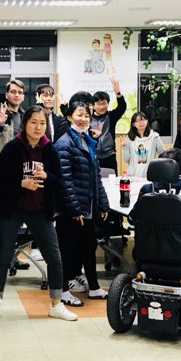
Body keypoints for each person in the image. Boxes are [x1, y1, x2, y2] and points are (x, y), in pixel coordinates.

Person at [0, 106, 76, 323]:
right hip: (11, 210)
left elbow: (59, 182)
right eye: (33, 122)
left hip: (40, 210)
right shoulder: (12, 148)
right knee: (1, 258)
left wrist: (46, 176)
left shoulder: (49, 149)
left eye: (42, 123)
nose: (38, 127)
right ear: (25, 124)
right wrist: (21, 183)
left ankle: (56, 304)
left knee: (54, 257)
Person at [55, 99, 110, 303]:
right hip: (71, 209)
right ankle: (62, 291)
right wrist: (74, 209)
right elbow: (65, 180)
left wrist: (102, 203)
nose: (84, 119)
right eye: (79, 115)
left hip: (87, 207)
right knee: (66, 251)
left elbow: (96, 177)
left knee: (88, 247)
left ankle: (94, 287)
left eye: (87, 115)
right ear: (70, 117)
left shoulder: (87, 140)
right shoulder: (64, 143)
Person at [88, 76, 126, 172]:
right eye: (98, 104)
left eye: (104, 103)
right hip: (93, 156)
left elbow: (122, 107)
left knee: (112, 179)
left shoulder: (111, 116)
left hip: (110, 156)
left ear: (108, 104)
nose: (101, 107)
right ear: (93, 105)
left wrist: (118, 93)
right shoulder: (88, 118)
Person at [120, 111, 166, 178]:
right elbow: (126, 160)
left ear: (147, 121)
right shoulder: (129, 138)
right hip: (132, 176)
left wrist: (157, 167)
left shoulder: (154, 136)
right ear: (133, 124)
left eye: (143, 120)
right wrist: (124, 146)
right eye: (138, 121)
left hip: (149, 175)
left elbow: (163, 154)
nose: (141, 123)